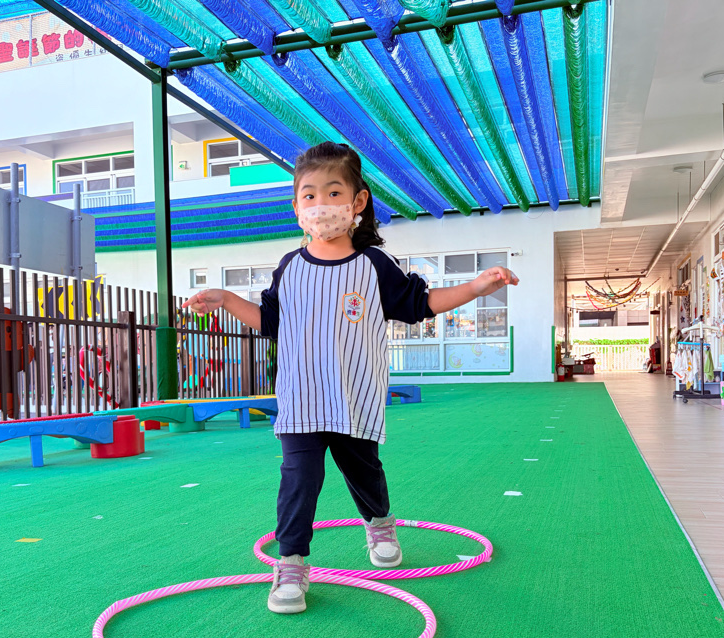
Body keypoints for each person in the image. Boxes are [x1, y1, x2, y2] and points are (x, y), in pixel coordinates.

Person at [183, 142, 518, 614]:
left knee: (363, 472)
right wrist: (225, 299)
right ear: (296, 206)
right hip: (301, 400)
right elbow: (270, 320)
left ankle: (379, 523)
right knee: (299, 479)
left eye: (333, 192)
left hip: (353, 398)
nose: (320, 205)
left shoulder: (373, 266)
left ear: (357, 201)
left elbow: (421, 305)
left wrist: (478, 286)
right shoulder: (290, 267)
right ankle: (291, 564)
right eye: (309, 195)